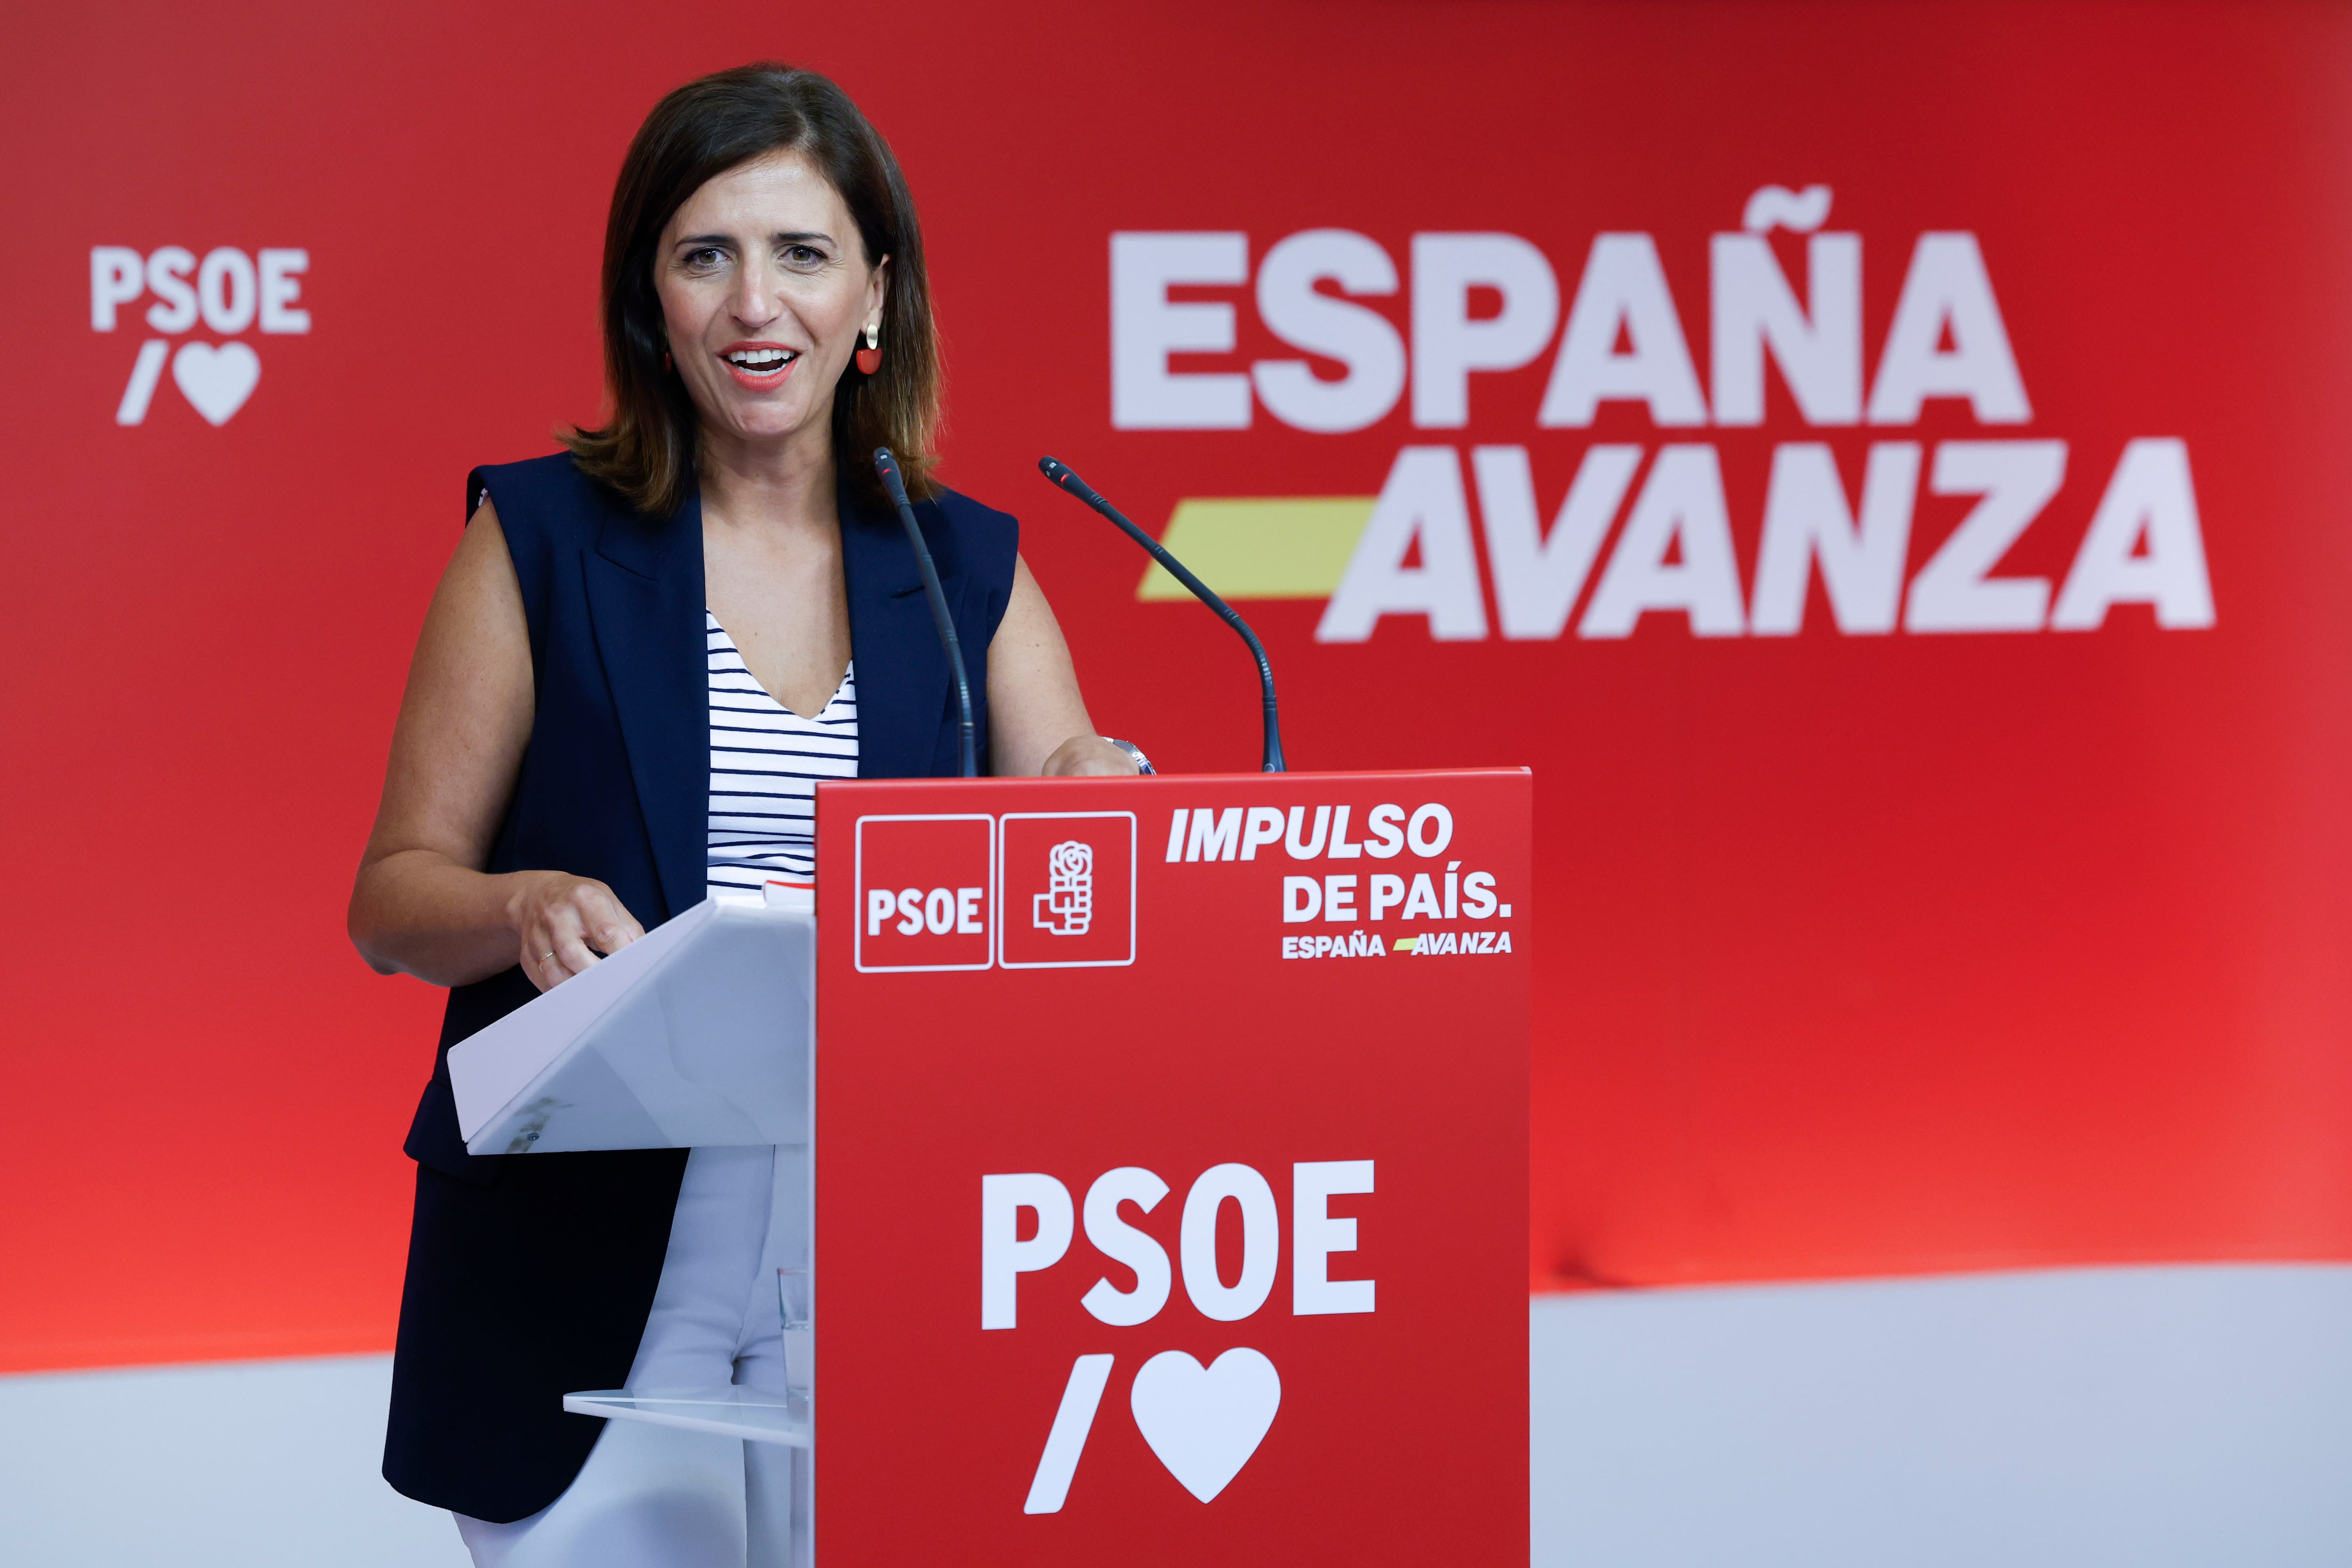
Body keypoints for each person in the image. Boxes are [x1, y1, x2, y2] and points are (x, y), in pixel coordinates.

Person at [349, 62, 1136, 1568]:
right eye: (704, 255)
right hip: (584, 1263)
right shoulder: (538, 541)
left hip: (898, 1252)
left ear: (874, 296)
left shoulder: (967, 564)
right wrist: (516, 906)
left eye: (802, 253)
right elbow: (392, 898)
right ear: (652, 299)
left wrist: (1100, 807)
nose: (753, 303)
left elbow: (1070, 838)